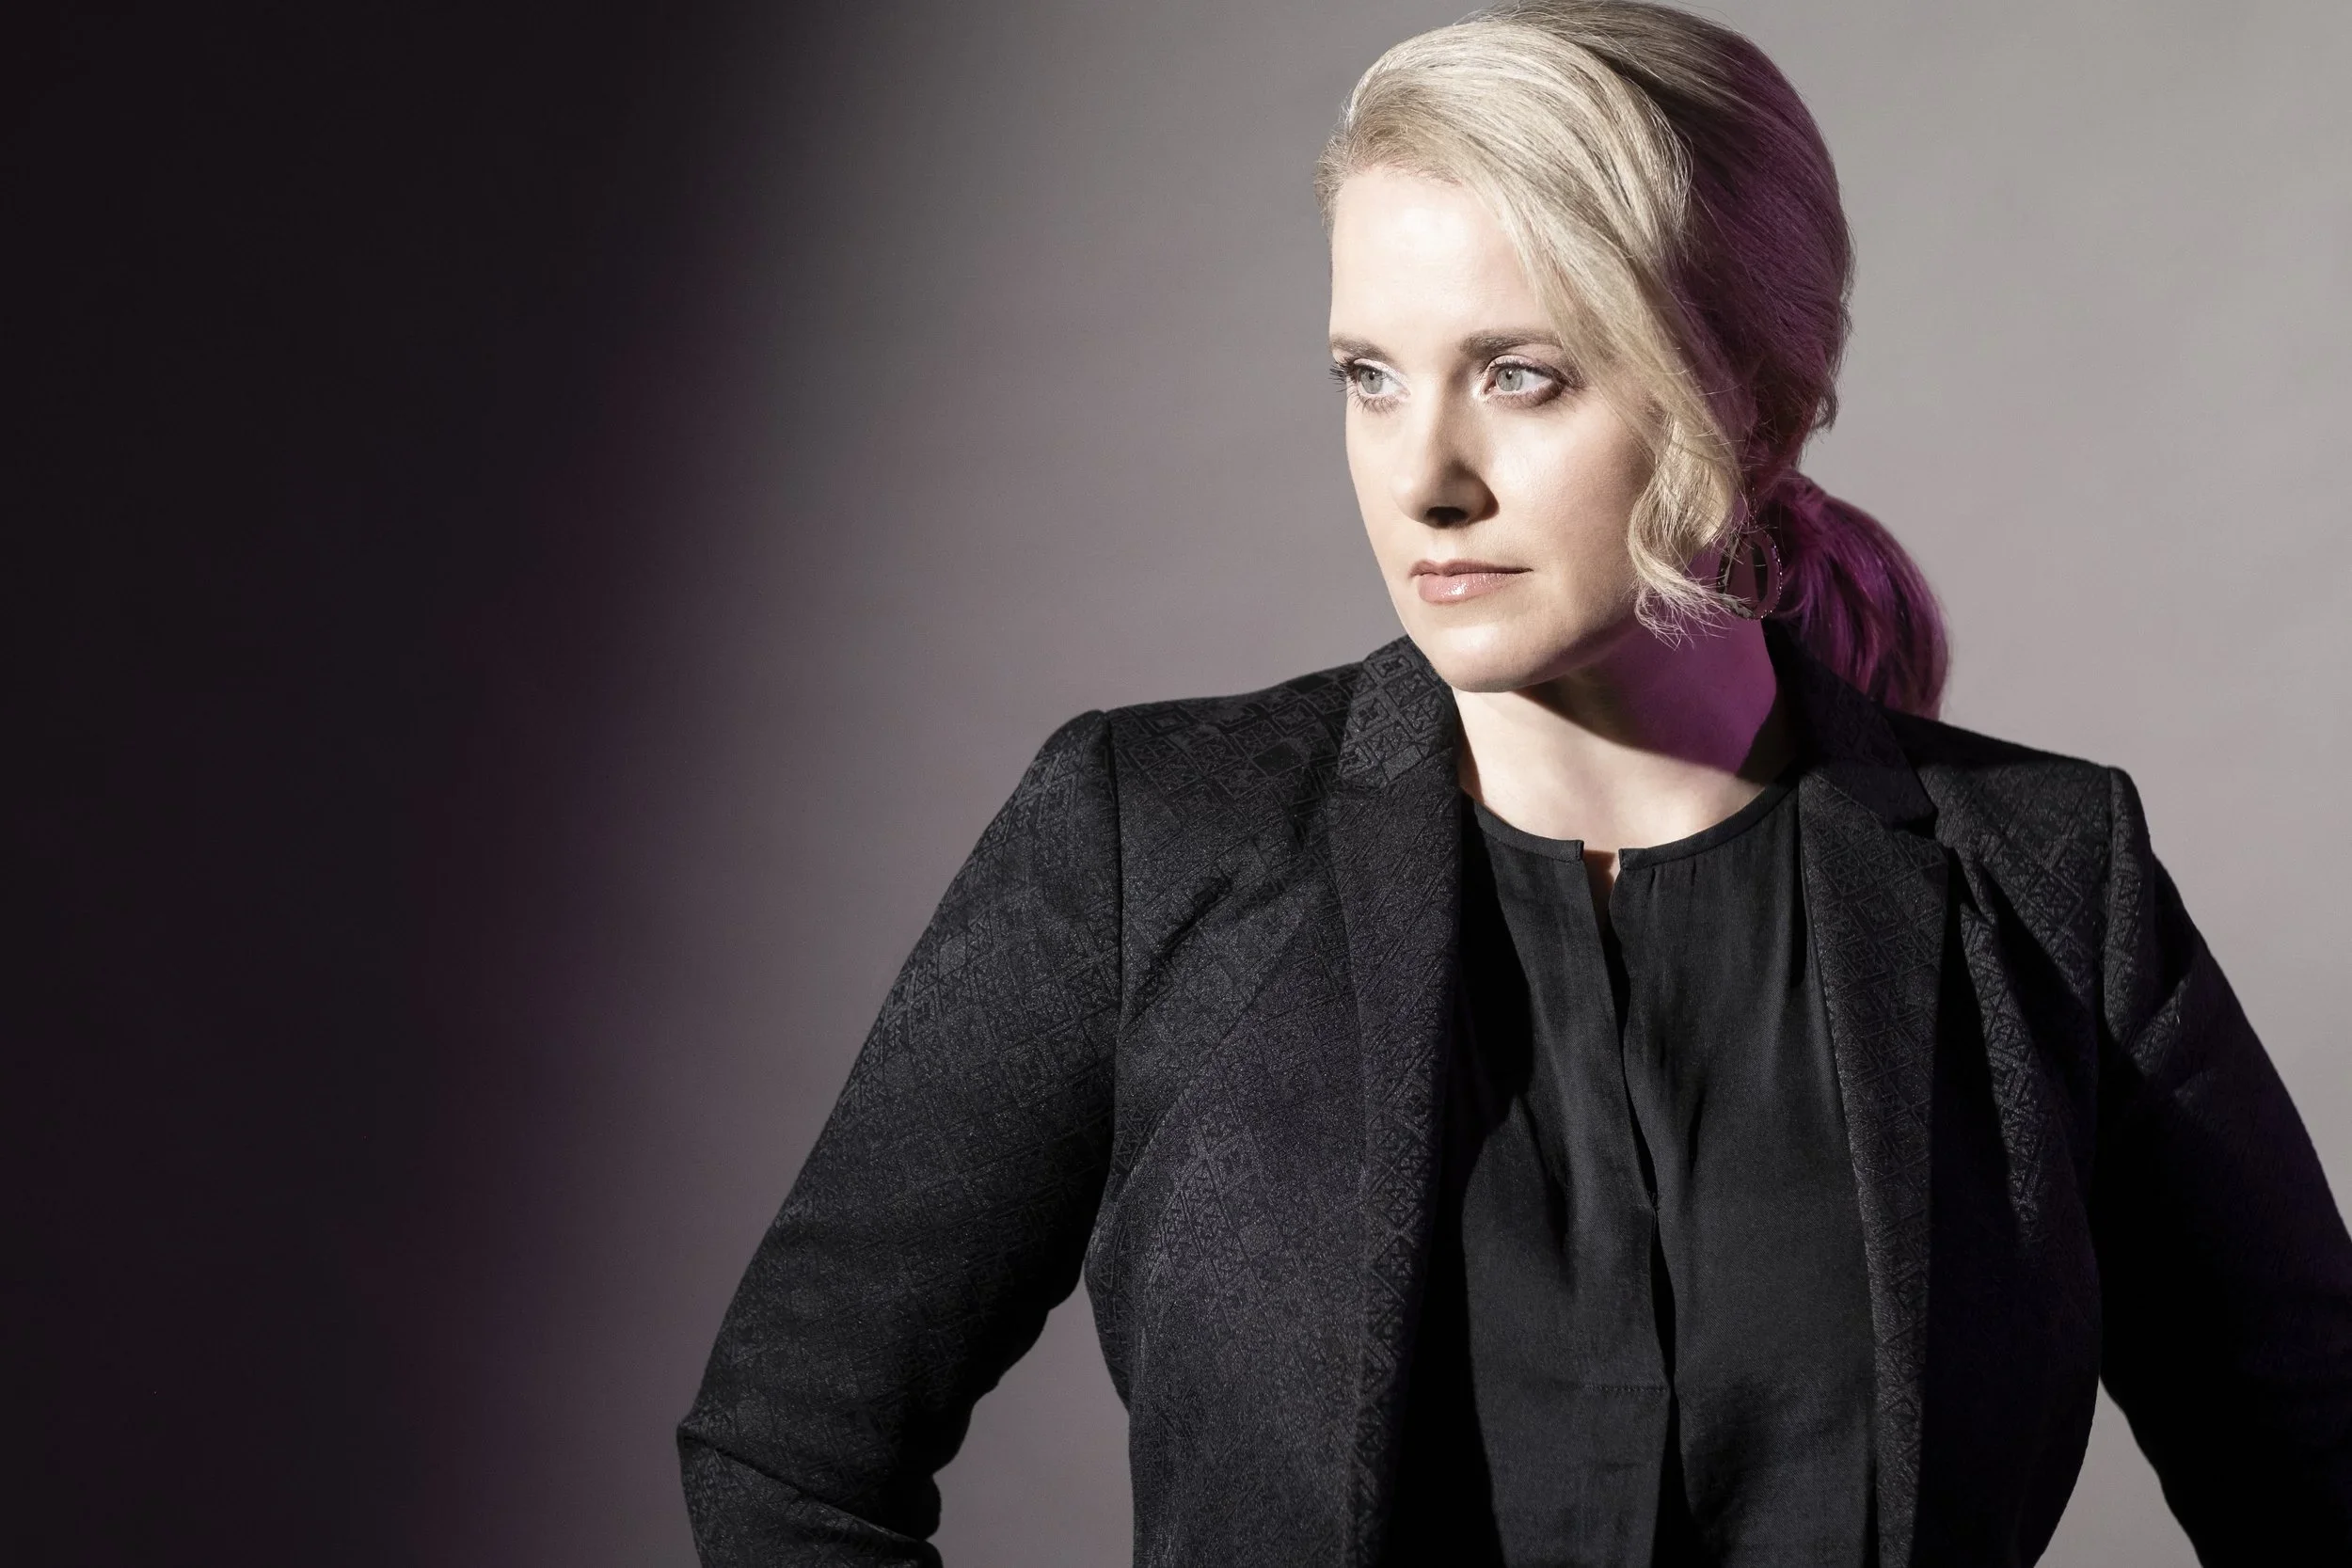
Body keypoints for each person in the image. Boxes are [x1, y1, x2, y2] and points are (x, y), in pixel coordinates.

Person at [677, 3, 2352, 1562]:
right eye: (1369, 374)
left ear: (1755, 401)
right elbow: (789, 1448)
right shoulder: (1147, 840)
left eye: (1520, 373)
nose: (1424, 476)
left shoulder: (2050, 885)